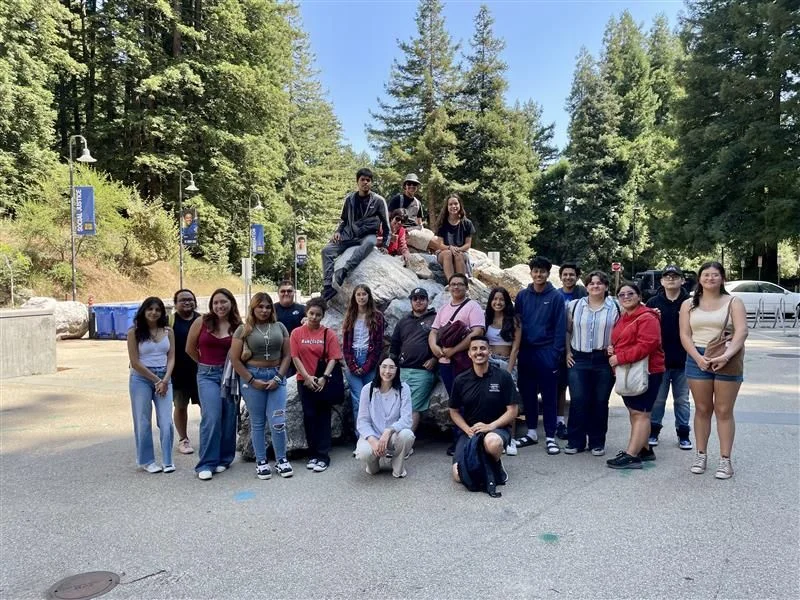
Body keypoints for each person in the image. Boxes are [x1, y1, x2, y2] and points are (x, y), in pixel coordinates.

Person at [679, 261, 747, 480]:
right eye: (706, 275)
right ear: (699, 279)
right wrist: (698, 358)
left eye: (715, 275)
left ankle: (725, 460)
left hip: (727, 356)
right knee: (702, 408)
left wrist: (726, 356)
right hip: (697, 356)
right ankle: (701, 454)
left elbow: (741, 332)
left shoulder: (733, 302)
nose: (710, 278)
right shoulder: (688, 304)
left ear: (722, 278)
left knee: (724, 410)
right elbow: (685, 335)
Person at [230, 292, 294, 480]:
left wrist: (278, 378)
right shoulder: (243, 329)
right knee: (257, 423)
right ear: (253, 308)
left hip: (276, 376)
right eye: (260, 306)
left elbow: (287, 356)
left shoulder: (280, 327)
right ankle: (261, 461)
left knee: (278, 421)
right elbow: (234, 359)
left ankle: (282, 460)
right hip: (252, 378)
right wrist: (251, 380)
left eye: (267, 307)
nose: (264, 310)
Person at [606, 283, 665, 470]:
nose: (625, 297)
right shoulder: (625, 316)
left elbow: (647, 344)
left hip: (647, 371)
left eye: (630, 293)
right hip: (629, 370)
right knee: (635, 412)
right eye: (621, 294)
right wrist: (613, 348)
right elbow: (624, 339)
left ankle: (632, 455)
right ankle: (645, 449)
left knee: (641, 413)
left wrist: (619, 357)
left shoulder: (647, 317)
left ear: (639, 296)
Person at [186, 288, 242, 480]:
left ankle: (224, 459)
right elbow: (189, 348)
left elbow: (243, 351)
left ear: (231, 303)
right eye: (216, 302)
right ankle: (206, 463)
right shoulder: (201, 322)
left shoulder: (237, 325)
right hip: (207, 374)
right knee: (211, 416)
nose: (220, 306)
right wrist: (204, 365)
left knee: (229, 416)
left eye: (223, 302)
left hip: (230, 375)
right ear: (211, 305)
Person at [514, 256, 566, 456]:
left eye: (542, 271)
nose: (538, 274)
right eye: (535, 271)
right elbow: (517, 324)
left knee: (549, 396)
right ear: (531, 272)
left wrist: (555, 354)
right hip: (526, 352)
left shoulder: (555, 297)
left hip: (547, 352)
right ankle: (532, 432)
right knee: (528, 394)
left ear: (547, 273)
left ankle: (551, 436)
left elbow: (560, 328)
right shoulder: (522, 296)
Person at [564, 271, 619, 456]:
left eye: (600, 283)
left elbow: (637, 315)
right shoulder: (574, 305)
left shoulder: (616, 306)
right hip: (579, 358)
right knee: (578, 400)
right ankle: (575, 441)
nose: (595, 286)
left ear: (606, 286)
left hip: (604, 359)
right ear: (586, 286)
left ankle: (597, 442)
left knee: (600, 401)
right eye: (591, 283)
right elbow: (567, 330)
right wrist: (568, 352)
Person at [449, 336, 518, 486]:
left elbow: (513, 410)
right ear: (469, 354)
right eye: (474, 349)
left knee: (492, 442)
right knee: (458, 475)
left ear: (490, 352)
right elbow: (453, 411)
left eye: (482, 348)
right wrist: (467, 429)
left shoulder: (503, 376)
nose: (478, 352)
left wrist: (491, 426)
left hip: (497, 430)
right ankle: (481, 462)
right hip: (470, 432)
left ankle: (496, 464)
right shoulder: (461, 380)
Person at [429, 273, 485, 455]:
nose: (456, 287)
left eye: (460, 284)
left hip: (464, 361)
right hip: (445, 362)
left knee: (468, 400)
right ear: (449, 287)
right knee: (454, 401)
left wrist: (454, 350)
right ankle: (458, 438)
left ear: (466, 287)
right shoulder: (444, 308)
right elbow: (434, 332)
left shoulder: (473, 307)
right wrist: (435, 348)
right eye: (453, 284)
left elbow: (477, 331)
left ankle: (472, 438)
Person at [290, 297, 343, 473]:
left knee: (323, 417)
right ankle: (312, 454)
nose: (314, 317)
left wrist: (324, 378)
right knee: (309, 416)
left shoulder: (329, 334)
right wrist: (306, 377)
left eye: (318, 315)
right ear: (306, 313)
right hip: (304, 381)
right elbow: (295, 356)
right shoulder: (297, 333)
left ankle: (323, 455)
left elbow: (334, 358)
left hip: (322, 381)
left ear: (323, 316)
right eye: (311, 313)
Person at [321, 168, 391, 301]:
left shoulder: (378, 201)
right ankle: (327, 287)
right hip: (349, 234)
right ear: (357, 182)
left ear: (371, 182)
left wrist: (386, 245)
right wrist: (338, 231)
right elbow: (344, 220)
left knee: (370, 243)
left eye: (368, 180)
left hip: (367, 235)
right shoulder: (350, 199)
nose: (365, 183)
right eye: (362, 180)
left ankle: (345, 269)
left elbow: (386, 225)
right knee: (326, 250)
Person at [127, 297, 175, 473]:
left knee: (166, 420)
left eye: (157, 309)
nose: (154, 312)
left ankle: (168, 460)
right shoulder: (134, 332)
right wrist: (156, 380)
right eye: (150, 309)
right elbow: (135, 361)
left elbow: (171, 357)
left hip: (164, 378)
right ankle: (147, 461)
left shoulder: (168, 331)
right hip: (141, 378)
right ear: (144, 311)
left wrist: (165, 379)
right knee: (142, 420)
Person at [646, 265, 692, 450]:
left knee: (682, 400)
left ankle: (683, 434)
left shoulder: (691, 302)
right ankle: (653, 431)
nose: (671, 279)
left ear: (682, 280)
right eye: (667, 276)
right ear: (661, 281)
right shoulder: (652, 302)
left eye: (675, 276)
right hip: (659, 361)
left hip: (684, 361)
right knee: (657, 400)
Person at [355, 357, 415, 478]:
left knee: (407, 435)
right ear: (379, 368)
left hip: (393, 435)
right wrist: (373, 441)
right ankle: (373, 463)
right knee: (364, 453)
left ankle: (397, 465)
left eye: (392, 367)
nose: (387, 371)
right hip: (373, 434)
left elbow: (407, 419)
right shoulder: (368, 389)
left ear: (397, 370)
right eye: (384, 366)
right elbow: (362, 421)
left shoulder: (404, 389)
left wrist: (389, 431)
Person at [390, 287, 438, 432]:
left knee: (413, 407)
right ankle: (394, 440)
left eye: (422, 298)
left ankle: (406, 442)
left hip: (423, 372)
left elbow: (443, 342)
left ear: (427, 301)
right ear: (411, 301)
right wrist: (392, 367)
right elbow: (394, 345)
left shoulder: (435, 318)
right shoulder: (403, 321)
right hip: (403, 370)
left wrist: (435, 358)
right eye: (415, 299)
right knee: (399, 406)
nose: (418, 301)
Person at [342, 285, 386, 437]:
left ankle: (374, 434)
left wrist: (367, 366)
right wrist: (353, 365)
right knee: (358, 398)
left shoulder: (377, 316)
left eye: (364, 294)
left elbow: (379, 344)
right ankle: (360, 436)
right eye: (358, 294)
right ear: (354, 297)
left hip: (369, 358)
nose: (361, 297)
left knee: (371, 397)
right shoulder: (350, 315)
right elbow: (346, 345)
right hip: (353, 356)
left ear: (369, 296)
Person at [484, 287, 521, 455]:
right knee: (491, 399)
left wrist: (509, 369)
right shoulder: (487, 320)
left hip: (508, 362)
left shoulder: (514, 321)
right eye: (495, 299)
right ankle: (493, 436)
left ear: (506, 302)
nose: (498, 302)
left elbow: (515, 349)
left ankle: (511, 438)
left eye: (501, 300)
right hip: (490, 362)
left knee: (509, 401)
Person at [556, 262, 587, 440]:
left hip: (580, 348)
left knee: (579, 390)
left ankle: (579, 423)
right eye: (565, 274)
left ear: (577, 277)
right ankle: (560, 422)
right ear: (560, 277)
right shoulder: (556, 295)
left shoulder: (584, 294)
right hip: (560, 347)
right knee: (560, 387)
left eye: (572, 274)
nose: (568, 277)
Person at [170, 289, 200, 455]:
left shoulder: (203, 319)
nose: (187, 302)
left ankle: (208, 435)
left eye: (190, 299)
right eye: (183, 300)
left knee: (207, 406)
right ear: (176, 303)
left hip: (201, 371)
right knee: (180, 406)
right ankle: (183, 439)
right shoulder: (170, 320)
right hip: (178, 372)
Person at [387, 173, 437, 252]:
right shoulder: (397, 199)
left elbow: (419, 222)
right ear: (405, 186)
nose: (412, 186)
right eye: (409, 183)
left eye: (415, 184)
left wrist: (423, 230)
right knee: (435, 242)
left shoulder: (418, 203)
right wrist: (392, 233)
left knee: (433, 235)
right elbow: (388, 217)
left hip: (416, 229)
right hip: (406, 231)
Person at [433, 194, 475, 282]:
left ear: (460, 205)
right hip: (444, 252)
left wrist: (458, 249)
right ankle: (451, 283)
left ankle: (461, 283)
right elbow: (439, 244)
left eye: (456, 204)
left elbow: (468, 245)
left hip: (461, 252)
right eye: (450, 204)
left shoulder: (467, 223)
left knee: (458, 255)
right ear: (447, 207)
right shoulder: (442, 223)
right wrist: (450, 248)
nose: (453, 206)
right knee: (448, 253)